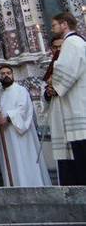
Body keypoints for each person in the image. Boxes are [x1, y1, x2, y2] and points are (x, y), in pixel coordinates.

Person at [0, 64, 50, 187]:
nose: (6, 75)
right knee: (11, 163)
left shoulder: (21, 90)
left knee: (25, 160)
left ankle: (33, 186)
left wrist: (7, 118)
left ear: (13, 75)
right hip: (5, 135)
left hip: (20, 135)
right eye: (2, 74)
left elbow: (24, 109)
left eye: (8, 73)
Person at [48, 12, 86, 184]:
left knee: (81, 158)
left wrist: (53, 84)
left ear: (64, 24)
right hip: (77, 102)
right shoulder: (79, 42)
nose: (52, 28)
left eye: (54, 25)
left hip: (76, 107)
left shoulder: (71, 42)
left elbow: (66, 71)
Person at [45, 37, 79, 185]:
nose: (58, 51)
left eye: (61, 47)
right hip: (59, 116)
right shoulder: (50, 69)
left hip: (75, 116)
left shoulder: (76, 63)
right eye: (55, 48)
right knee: (64, 157)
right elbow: (45, 95)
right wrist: (48, 92)